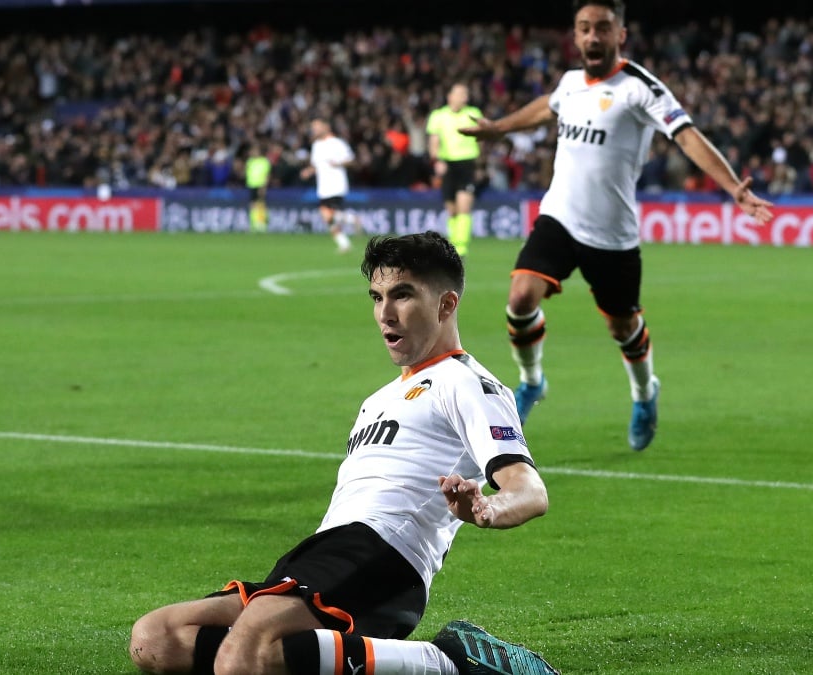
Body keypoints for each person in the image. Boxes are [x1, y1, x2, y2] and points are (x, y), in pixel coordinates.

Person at [129, 232, 558, 675]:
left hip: (384, 552)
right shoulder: (377, 400)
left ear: (446, 305)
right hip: (327, 551)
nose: (385, 314)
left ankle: (450, 663)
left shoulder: (467, 383)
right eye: (377, 297)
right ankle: (440, 663)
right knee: (158, 639)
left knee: (243, 656)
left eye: (402, 295)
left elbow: (530, 491)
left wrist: (487, 508)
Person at [459, 0, 774, 449]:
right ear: (575, 34)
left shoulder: (640, 88)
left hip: (612, 235)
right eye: (585, 28)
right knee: (520, 295)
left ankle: (645, 392)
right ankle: (531, 381)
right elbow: (546, 108)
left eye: (603, 28)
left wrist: (732, 187)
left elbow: (685, 134)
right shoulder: (569, 83)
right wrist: (499, 129)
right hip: (559, 217)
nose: (592, 37)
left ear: (620, 34)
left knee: (623, 328)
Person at [427, 84, 483, 256]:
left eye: (466, 94)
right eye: (460, 94)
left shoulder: (474, 113)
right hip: (447, 164)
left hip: (467, 163)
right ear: (450, 96)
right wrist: (436, 160)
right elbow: (434, 140)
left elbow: (481, 139)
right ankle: (454, 243)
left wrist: (480, 164)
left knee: (464, 206)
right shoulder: (438, 116)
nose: (464, 97)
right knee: (451, 209)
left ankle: (461, 248)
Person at [300, 117, 360, 253]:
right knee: (327, 217)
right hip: (323, 187)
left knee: (327, 214)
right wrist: (308, 171)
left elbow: (351, 160)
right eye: (313, 127)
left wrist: (338, 163)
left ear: (326, 127)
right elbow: (317, 165)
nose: (314, 130)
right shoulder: (316, 145)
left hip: (336, 184)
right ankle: (345, 240)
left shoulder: (337, 143)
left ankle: (351, 222)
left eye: (316, 127)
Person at [246, 142, 272, 233]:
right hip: (251, 185)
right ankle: (253, 224)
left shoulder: (264, 161)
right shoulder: (250, 161)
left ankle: (262, 224)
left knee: (261, 205)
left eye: (255, 151)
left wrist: (264, 186)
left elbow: (267, 175)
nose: (253, 152)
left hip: (260, 185)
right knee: (252, 205)